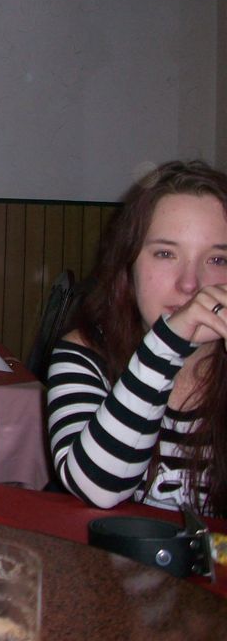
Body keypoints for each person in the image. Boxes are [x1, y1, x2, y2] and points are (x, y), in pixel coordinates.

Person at [46, 160, 227, 516]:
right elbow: (96, 489)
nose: (190, 284)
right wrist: (166, 345)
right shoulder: (84, 355)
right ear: (129, 266)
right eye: (165, 254)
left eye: (218, 259)